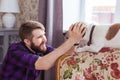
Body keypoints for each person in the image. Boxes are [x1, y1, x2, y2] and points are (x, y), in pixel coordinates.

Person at [0, 20, 86, 80]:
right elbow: (44, 64)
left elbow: (65, 55)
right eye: (39, 37)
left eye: (44, 35)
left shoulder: (40, 48)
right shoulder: (15, 51)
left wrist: (75, 40)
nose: (44, 39)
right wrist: (72, 40)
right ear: (27, 41)